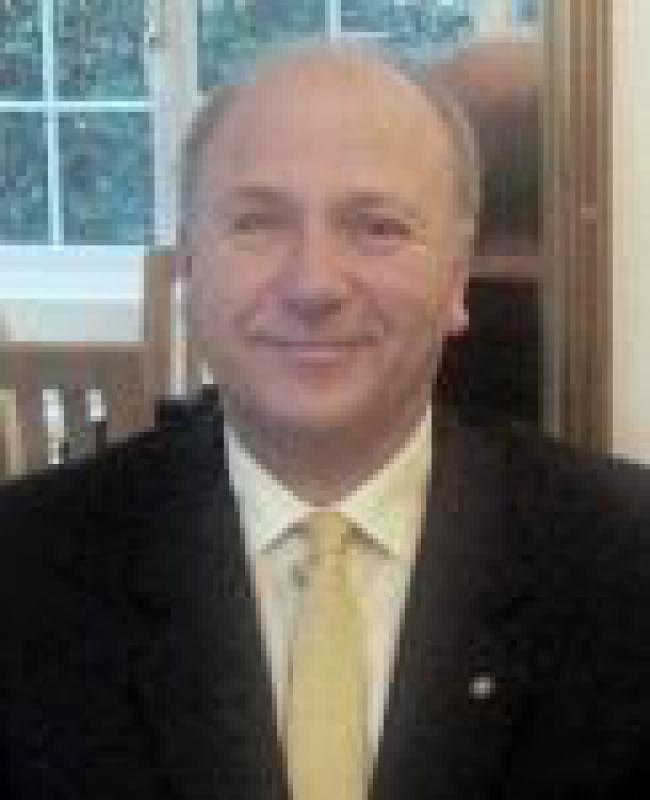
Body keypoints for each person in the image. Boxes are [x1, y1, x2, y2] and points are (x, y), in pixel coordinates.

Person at [1, 42, 649, 800]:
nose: (313, 284)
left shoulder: (626, 566)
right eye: (258, 223)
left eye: (377, 227)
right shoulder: (25, 572)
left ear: (456, 275)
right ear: (190, 268)